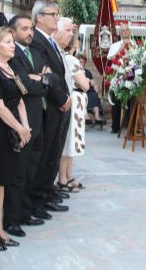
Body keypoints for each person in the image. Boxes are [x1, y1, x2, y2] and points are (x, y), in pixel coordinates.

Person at [0, 26, 32, 248]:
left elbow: (20, 99)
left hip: (13, 128)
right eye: (8, 42)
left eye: (13, 41)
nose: (13, 46)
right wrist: (19, 129)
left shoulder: (9, 68)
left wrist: (26, 126)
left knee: (2, 181)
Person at [8, 15, 50, 229]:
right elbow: (24, 86)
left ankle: (26, 212)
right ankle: (13, 219)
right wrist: (41, 80)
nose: (30, 32)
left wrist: (39, 79)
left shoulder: (35, 52)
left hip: (38, 117)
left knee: (32, 168)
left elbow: (53, 79)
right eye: (24, 29)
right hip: (21, 121)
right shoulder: (11, 54)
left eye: (31, 28)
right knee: (19, 171)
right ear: (13, 32)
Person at [29, 0, 71, 220]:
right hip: (50, 105)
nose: (56, 17)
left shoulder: (49, 41)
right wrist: (62, 97)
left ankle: (46, 192)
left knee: (54, 151)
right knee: (45, 154)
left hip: (59, 105)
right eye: (52, 14)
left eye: (57, 13)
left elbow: (56, 73)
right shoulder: (36, 41)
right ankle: (38, 199)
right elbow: (46, 75)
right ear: (39, 17)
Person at [57, 30, 89, 192]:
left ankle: (68, 175)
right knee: (68, 142)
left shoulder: (67, 58)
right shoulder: (71, 60)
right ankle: (63, 178)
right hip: (74, 101)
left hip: (75, 101)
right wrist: (86, 81)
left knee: (71, 143)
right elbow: (85, 85)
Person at [107, 24, 135, 134]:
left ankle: (132, 126)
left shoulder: (134, 45)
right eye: (123, 30)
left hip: (132, 76)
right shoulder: (115, 45)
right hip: (118, 76)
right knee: (116, 101)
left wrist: (130, 46)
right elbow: (112, 58)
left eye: (127, 30)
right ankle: (115, 127)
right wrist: (122, 46)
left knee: (132, 102)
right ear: (120, 33)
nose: (125, 32)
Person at [77, 53, 104, 128]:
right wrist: (86, 80)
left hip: (89, 90)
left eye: (83, 62)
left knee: (94, 95)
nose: (82, 63)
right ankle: (86, 117)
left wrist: (95, 86)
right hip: (80, 90)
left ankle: (97, 117)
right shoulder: (76, 71)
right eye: (80, 61)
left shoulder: (87, 72)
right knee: (83, 96)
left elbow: (92, 81)